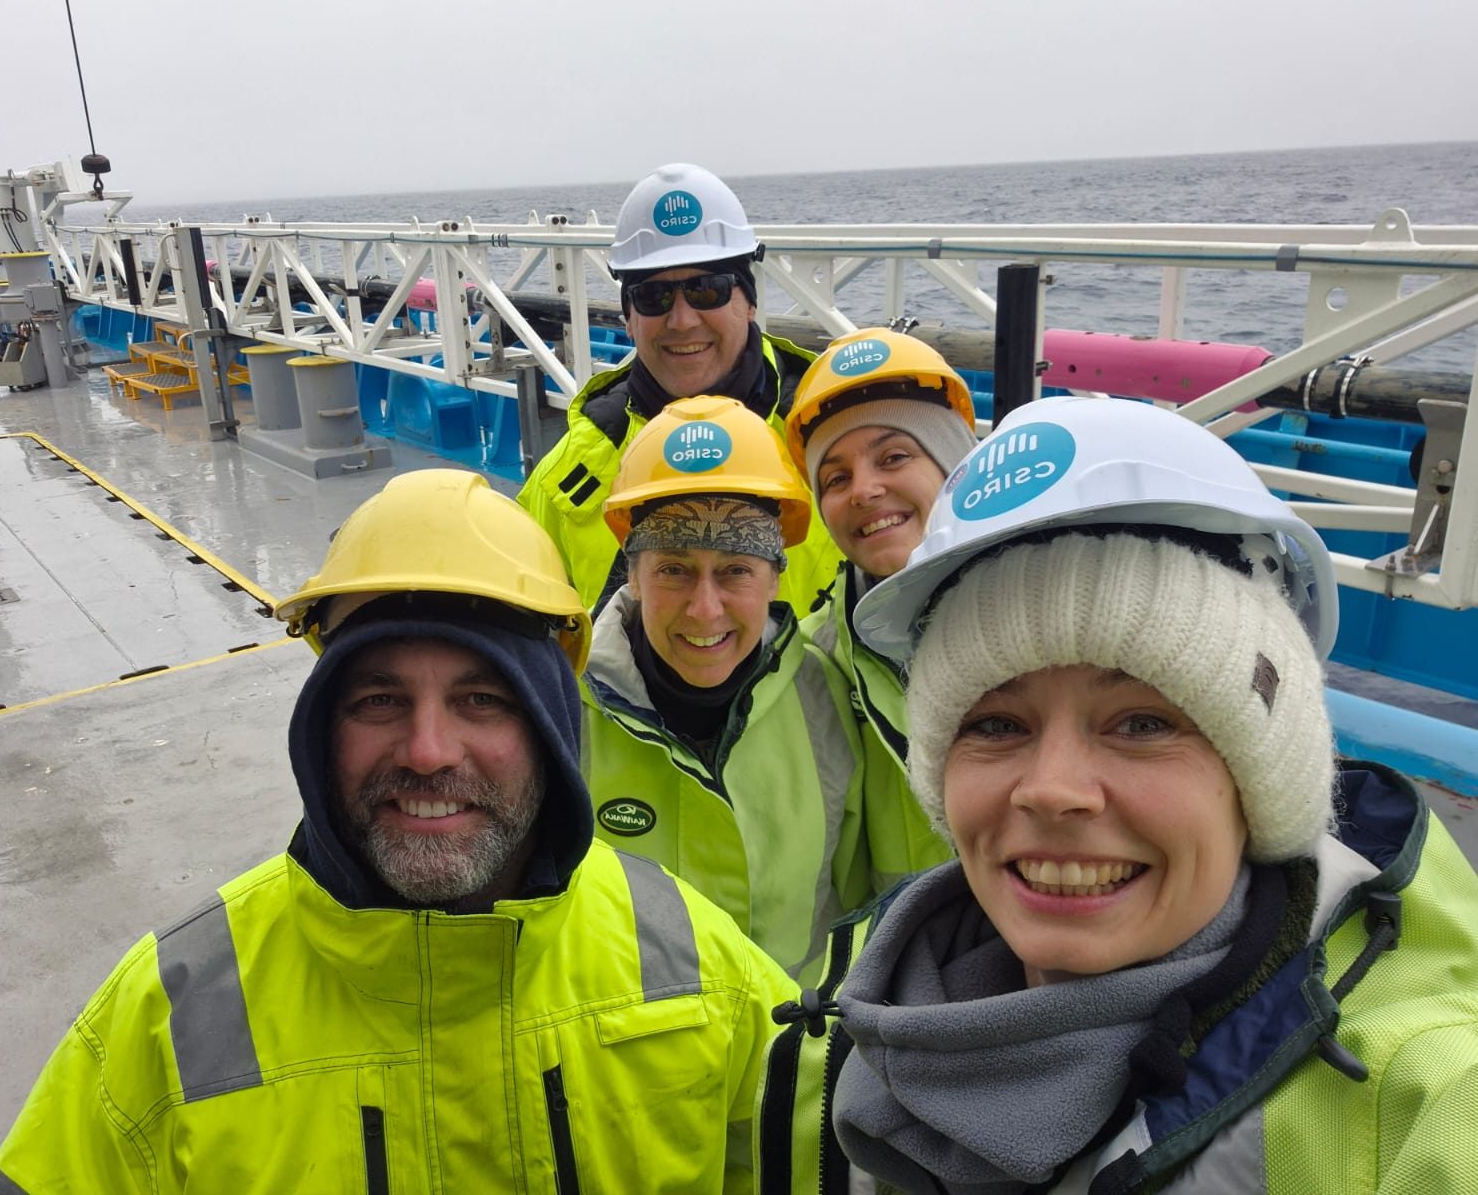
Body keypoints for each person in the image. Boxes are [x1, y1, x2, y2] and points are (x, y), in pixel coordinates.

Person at [0, 470, 795, 1194]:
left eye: (483, 699)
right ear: (322, 727)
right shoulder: (168, 1016)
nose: (429, 752)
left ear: (549, 725)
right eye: (378, 701)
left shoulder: (694, 960)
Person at [757, 397, 1478, 1193]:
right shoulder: (839, 1031)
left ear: (1262, 774)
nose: (1053, 790)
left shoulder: (1422, 1100)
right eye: (996, 725)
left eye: (1142, 722)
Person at [579, 395, 871, 981]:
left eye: (736, 569)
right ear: (632, 575)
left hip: (795, 1053)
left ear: (775, 575)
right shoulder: (564, 710)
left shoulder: (833, 697)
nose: (705, 609)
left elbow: (863, 904)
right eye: (673, 569)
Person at [518, 161, 842, 616]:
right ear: (629, 318)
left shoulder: (833, 444)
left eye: (708, 290)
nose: (683, 319)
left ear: (749, 301)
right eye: (654, 297)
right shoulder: (569, 480)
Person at [785, 327, 982, 891]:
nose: (863, 491)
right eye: (835, 478)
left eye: (894, 456)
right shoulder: (810, 665)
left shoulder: (1062, 608)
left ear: (954, 465)